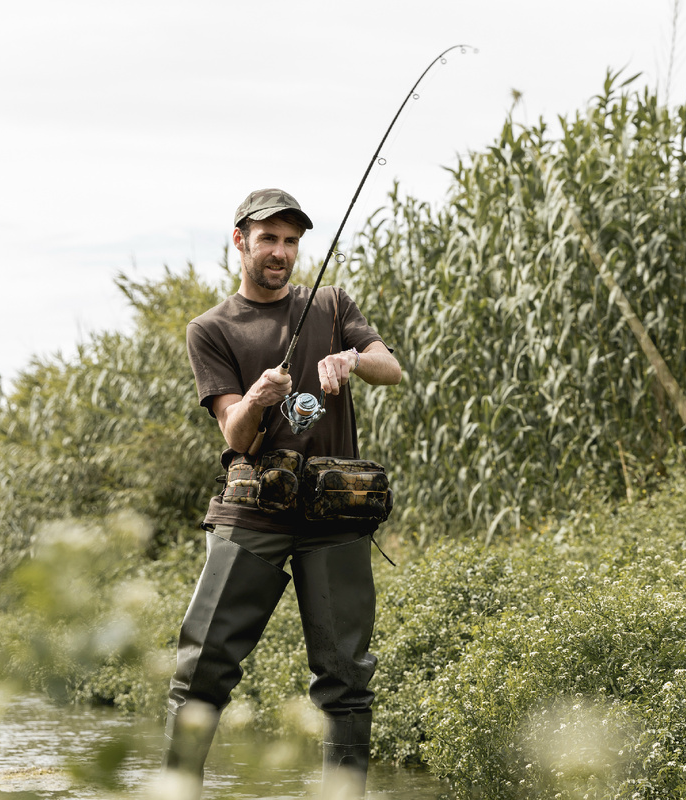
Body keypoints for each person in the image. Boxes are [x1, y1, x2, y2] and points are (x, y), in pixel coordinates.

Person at [162, 188, 401, 799]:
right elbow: (234, 435)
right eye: (268, 238)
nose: (281, 252)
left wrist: (350, 357)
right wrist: (256, 399)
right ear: (240, 240)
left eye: (291, 241)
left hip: (335, 516)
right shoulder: (211, 329)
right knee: (201, 671)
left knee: (347, 681)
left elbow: (390, 367)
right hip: (252, 514)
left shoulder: (329, 303)